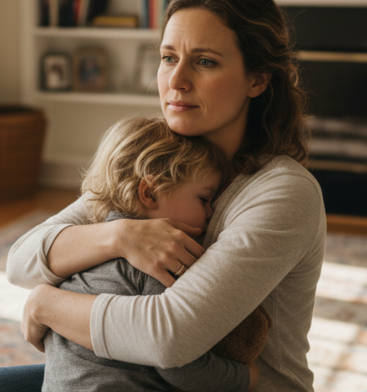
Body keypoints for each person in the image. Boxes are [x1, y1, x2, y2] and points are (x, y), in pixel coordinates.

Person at [0, 0, 326, 392]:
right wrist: (121, 235)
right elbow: (21, 261)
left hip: (230, 385)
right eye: (168, 57)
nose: (177, 81)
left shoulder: (283, 191)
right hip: (146, 376)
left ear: (257, 80)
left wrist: (46, 303)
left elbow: (171, 337)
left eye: (205, 61)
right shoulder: (157, 159)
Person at [41, 116, 258, 391]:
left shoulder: (78, 255)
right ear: (150, 193)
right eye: (204, 199)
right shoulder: (155, 263)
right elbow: (178, 364)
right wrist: (245, 378)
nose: (211, 212)